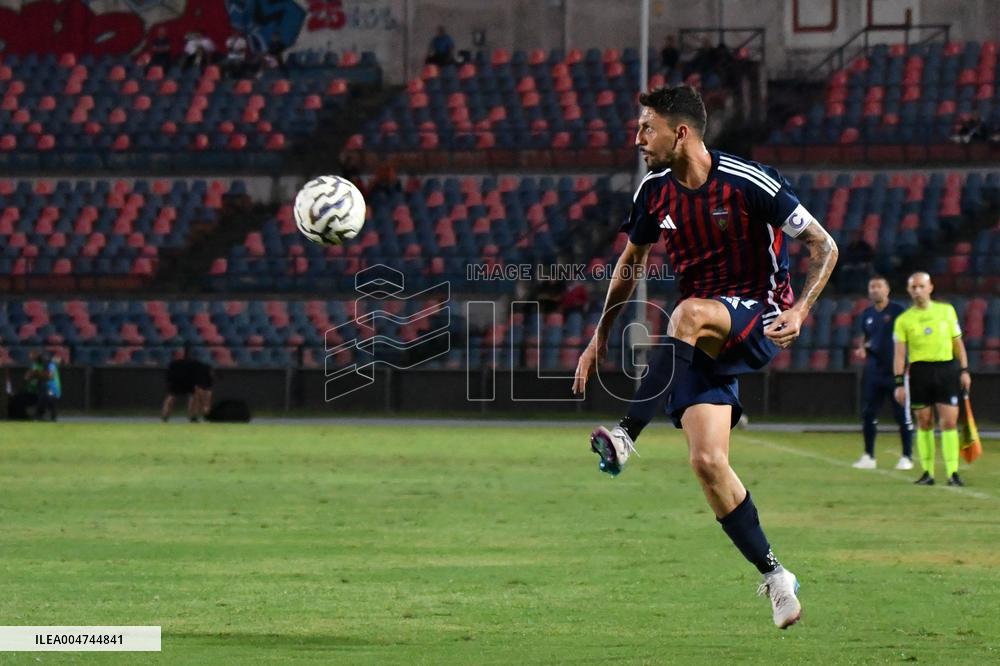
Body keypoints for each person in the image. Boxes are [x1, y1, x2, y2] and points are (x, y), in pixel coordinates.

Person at [572, 85, 838, 629]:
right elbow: (630, 263)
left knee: (686, 313)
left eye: (648, 127)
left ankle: (626, 435)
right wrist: (600, 336)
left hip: (761, 313)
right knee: (707, 462)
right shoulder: (653, 193)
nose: (638, 137)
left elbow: (824, 245)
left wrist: (803, 311)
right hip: (707, 337)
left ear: (681, 132)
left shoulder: (749, 181)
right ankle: (775, 575)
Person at [892, 272, 971, 486]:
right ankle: (927, 472)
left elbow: (958, 344)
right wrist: (899, 382)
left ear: (930, 287)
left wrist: (964, 370)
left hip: (946, 370)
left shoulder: (946, 311)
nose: (917, 290)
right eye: (913, 287)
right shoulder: (903, 320)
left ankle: (952, 472)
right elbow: (899, 355)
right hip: (919, 372)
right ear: (909, 290)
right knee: (924, 422)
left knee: (949, 422)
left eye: (921, 286)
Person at [851, 276, 913, 470]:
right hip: (873, 371)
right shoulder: (867, 314)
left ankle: (907, 457)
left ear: (887, 289)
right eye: (872, 287)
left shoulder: (898, 311)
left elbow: (907, 338)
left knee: (901, 414)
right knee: (868, 413)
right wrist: (862, 348)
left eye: (879, 286)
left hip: (895, 371)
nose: (875, 290)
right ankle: (869, 456)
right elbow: (865, 338)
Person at [162, 347, 198, 422]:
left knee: (193, 397)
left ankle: (192, 417)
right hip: (176, 382)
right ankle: (165, 416)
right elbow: (169, 375)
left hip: (188, 382)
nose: (181, 354)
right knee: (171, 398)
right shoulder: (173, 364)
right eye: (179, 353)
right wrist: (170, 383)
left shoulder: (190, 363)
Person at [34, 351, 61, 421]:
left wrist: (37, 374)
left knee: (50, 400)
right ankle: (39, 416)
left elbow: (50, 376)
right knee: (42, 400)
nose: (44, 359)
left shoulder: (51, 365)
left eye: (45, 358)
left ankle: (53, 417)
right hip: (46, 388)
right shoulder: (43, 366)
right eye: (43, 358)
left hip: (53, 388)